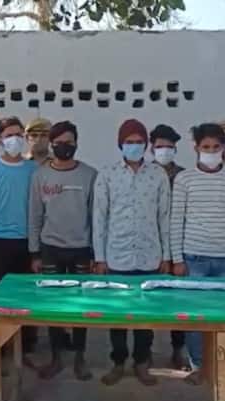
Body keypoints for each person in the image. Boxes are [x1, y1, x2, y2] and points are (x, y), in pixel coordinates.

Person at [93, 119, 171, 386]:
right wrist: (100, 257)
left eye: (139, 142)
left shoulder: (158, 175)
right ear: (120, 144)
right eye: (129, 142)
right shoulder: (107, 175)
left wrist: (166, 255)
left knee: (145, 316)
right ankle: (118, 362)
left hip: (150, 256)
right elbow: (99, 218)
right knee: (118, 315)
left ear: (147, 145)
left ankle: (142, 362)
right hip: (117, 256)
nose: (134, 146)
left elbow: (164, 217)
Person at [170, 123, 225, 385]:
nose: (211, 151)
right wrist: (177, 259)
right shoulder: (184, 179)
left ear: (223, 148)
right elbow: (176, 220)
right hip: (193, 258)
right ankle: (198, 365)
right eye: (206, 147)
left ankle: (222, 365)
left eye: (216, 147)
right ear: (196, 148)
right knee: (195, 317)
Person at [28, 121, 97, 381]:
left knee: (81, 305)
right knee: (53, 305)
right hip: (50, 249)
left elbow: (96, 217)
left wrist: (96, 254)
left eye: (69, 142)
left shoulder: (90, 175)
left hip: (81, 249)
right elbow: (35, 215)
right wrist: (34, 253)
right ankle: (56, 357)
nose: (64, 146)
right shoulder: (40, 176)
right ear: (52, 144)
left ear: (76, 143)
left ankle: (80, 357)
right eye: (59, 143)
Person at [0, 116, 38, 355]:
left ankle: (26, 348)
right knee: (0, 298)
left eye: (19, 135)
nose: (15, 139)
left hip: (28, 243)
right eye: (9, 135)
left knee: (27, 297)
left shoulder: (34, 170)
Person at [149, 124, 187, 370]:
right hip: (151, 245)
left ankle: (177, 351)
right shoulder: (146, 174)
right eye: (160, 146)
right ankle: (146, 351)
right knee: (150, 301)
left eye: (169, 147)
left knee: (179, 301)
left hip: (179, 245)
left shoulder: (183, 176)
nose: (164, 151)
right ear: (151, 148)